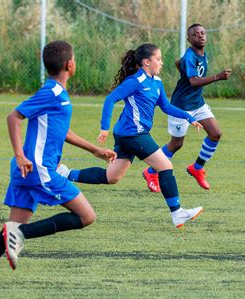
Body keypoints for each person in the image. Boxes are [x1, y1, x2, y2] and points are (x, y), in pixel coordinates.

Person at [0, 40, 116, 299]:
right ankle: (22, 235)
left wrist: (94, 149)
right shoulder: (51, 92)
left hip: (28, 170)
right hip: (37, 169)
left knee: (9, 231)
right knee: (86, 216)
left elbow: (62, 131)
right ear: (70, 65)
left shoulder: (58, 94)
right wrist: (19, 153)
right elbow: (13, 117)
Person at [57, 43, 204, 229]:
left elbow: (165, 107)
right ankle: (177, 213)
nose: (161, 63)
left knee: (112, 176)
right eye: (158, 59)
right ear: (146, 62)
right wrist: (104, 128)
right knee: (165, 166)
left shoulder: (157, 83)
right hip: (133, 134)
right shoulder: (136, 81)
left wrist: (188, 117)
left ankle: (66, 174)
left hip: (128, 134)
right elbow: (110, 99)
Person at [142, 23, 232, 192]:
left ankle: (197, 168)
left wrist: (183, 70)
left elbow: (179, 62)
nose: (201, 36)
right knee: (176, 144)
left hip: (197, 103)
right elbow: (193, 81)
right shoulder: (191, 55)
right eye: (196, 34)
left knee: (215, 134)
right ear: (189, 39)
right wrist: (217, 77)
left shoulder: (200, 54)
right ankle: (151, 171)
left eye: (203, 33)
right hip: (181, 105)